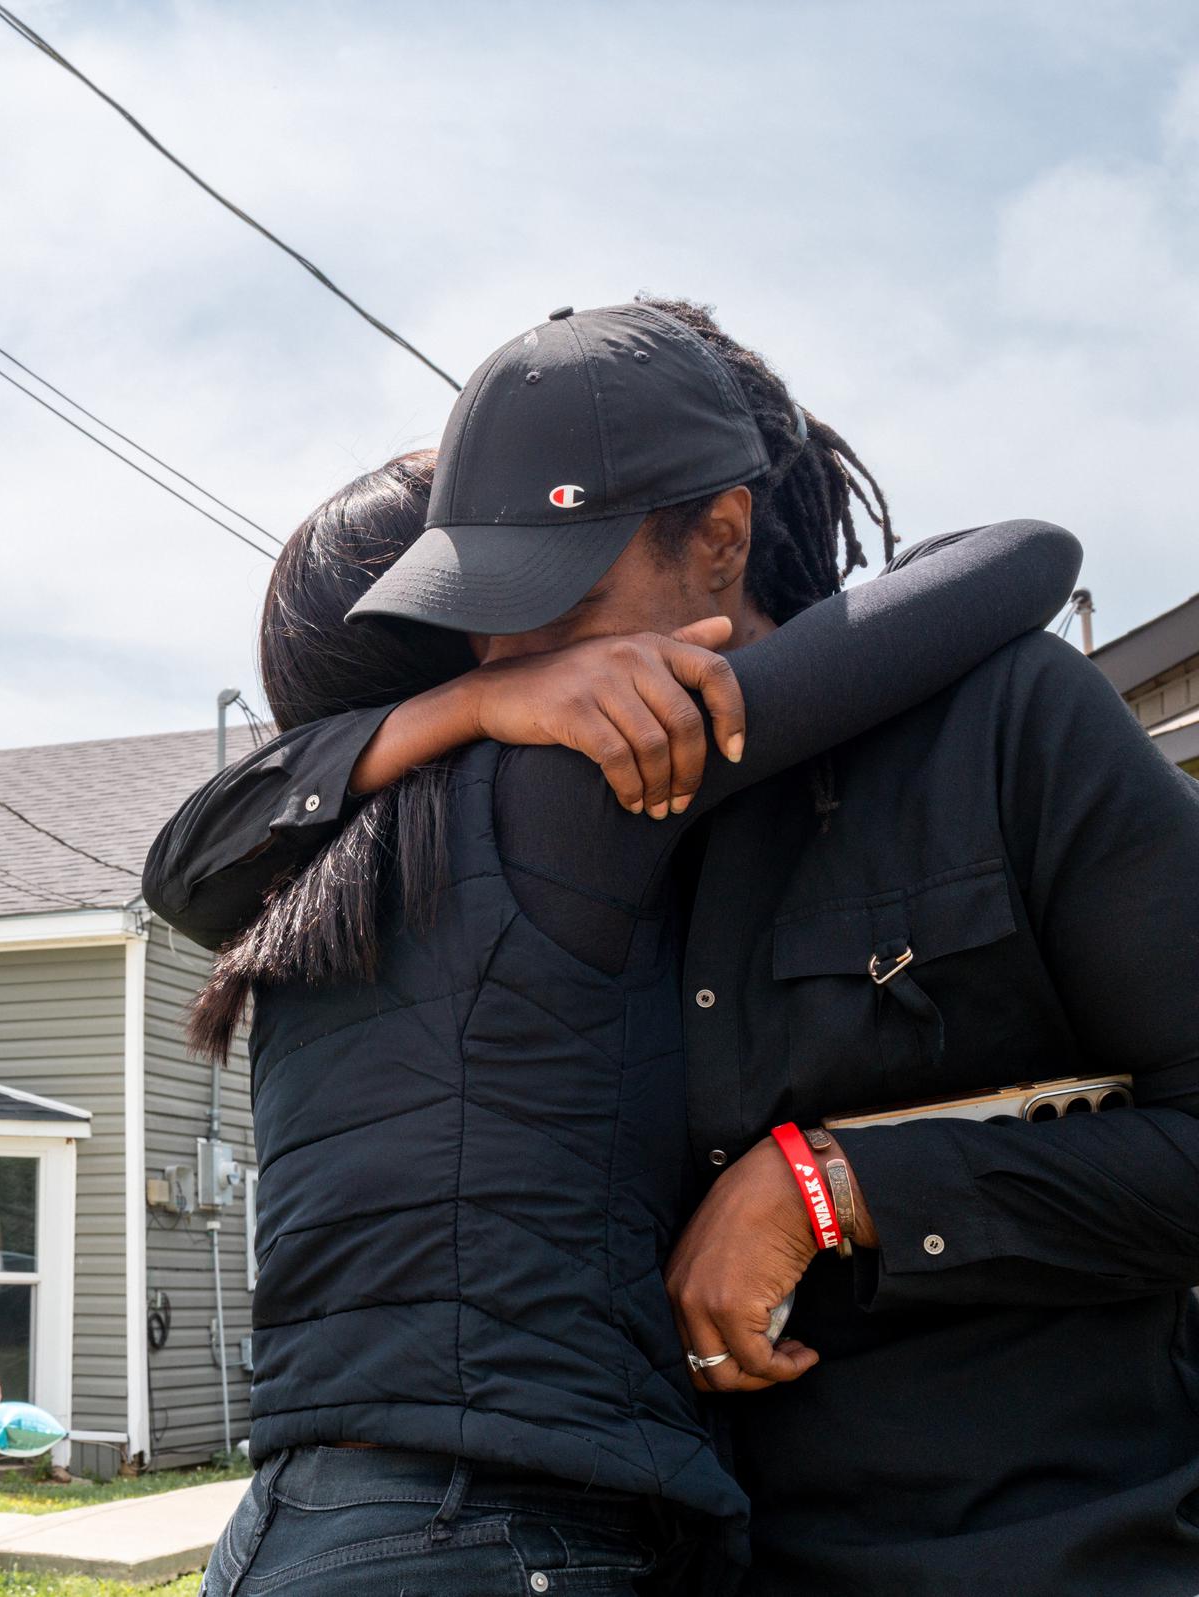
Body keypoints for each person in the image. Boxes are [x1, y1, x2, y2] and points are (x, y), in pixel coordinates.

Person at [159, 299, 1199, 1595]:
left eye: (565, 601)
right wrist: (483, 701)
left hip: (1044, 1549)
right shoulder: (553, 812)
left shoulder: (1004, 728)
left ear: (720, 538)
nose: (527, 656)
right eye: (484, 619)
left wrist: (840, 1185)